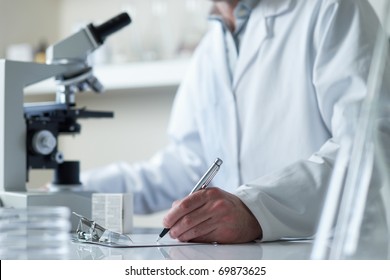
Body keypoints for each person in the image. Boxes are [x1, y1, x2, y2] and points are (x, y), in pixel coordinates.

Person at [82, 0, 386, 244]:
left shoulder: (331, 8)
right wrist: (74, 191)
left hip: (332, 252)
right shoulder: (208, 51)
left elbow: (365, 146)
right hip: (241, 262)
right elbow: (187, 166)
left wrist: (254, 209)